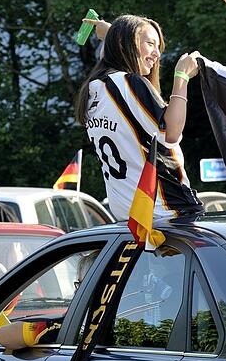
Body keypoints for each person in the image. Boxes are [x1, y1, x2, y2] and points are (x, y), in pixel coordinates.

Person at [75, 14, 203, 221]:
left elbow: (117, 53)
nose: (156, 54)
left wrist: (111, 34)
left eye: (158, 47)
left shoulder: (95, 89)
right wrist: (182, 77)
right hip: (167, 212)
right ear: (125, 43)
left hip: (131, 216)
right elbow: (170, 132)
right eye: (151, 44)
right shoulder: (129, 83)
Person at [0, 250, 100, 349]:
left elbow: (0, 335)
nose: (77, 292)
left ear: (89, 286)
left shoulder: (76, 327)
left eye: (79, 284)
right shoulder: (111, 322)